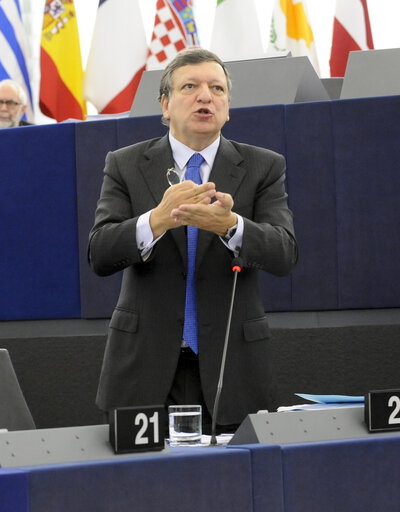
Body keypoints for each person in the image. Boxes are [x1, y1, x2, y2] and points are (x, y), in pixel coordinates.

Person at [88, 48, 298, 433]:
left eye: (217, 88)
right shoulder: (125, 164)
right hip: (143, 372)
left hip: (232, 370)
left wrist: (231, 226)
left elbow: (284, 253)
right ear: (165, 105)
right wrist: (156, 220)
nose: (206, 96)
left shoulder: (264, 166)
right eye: (191, 86)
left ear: (228, 107)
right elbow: (100, 253)